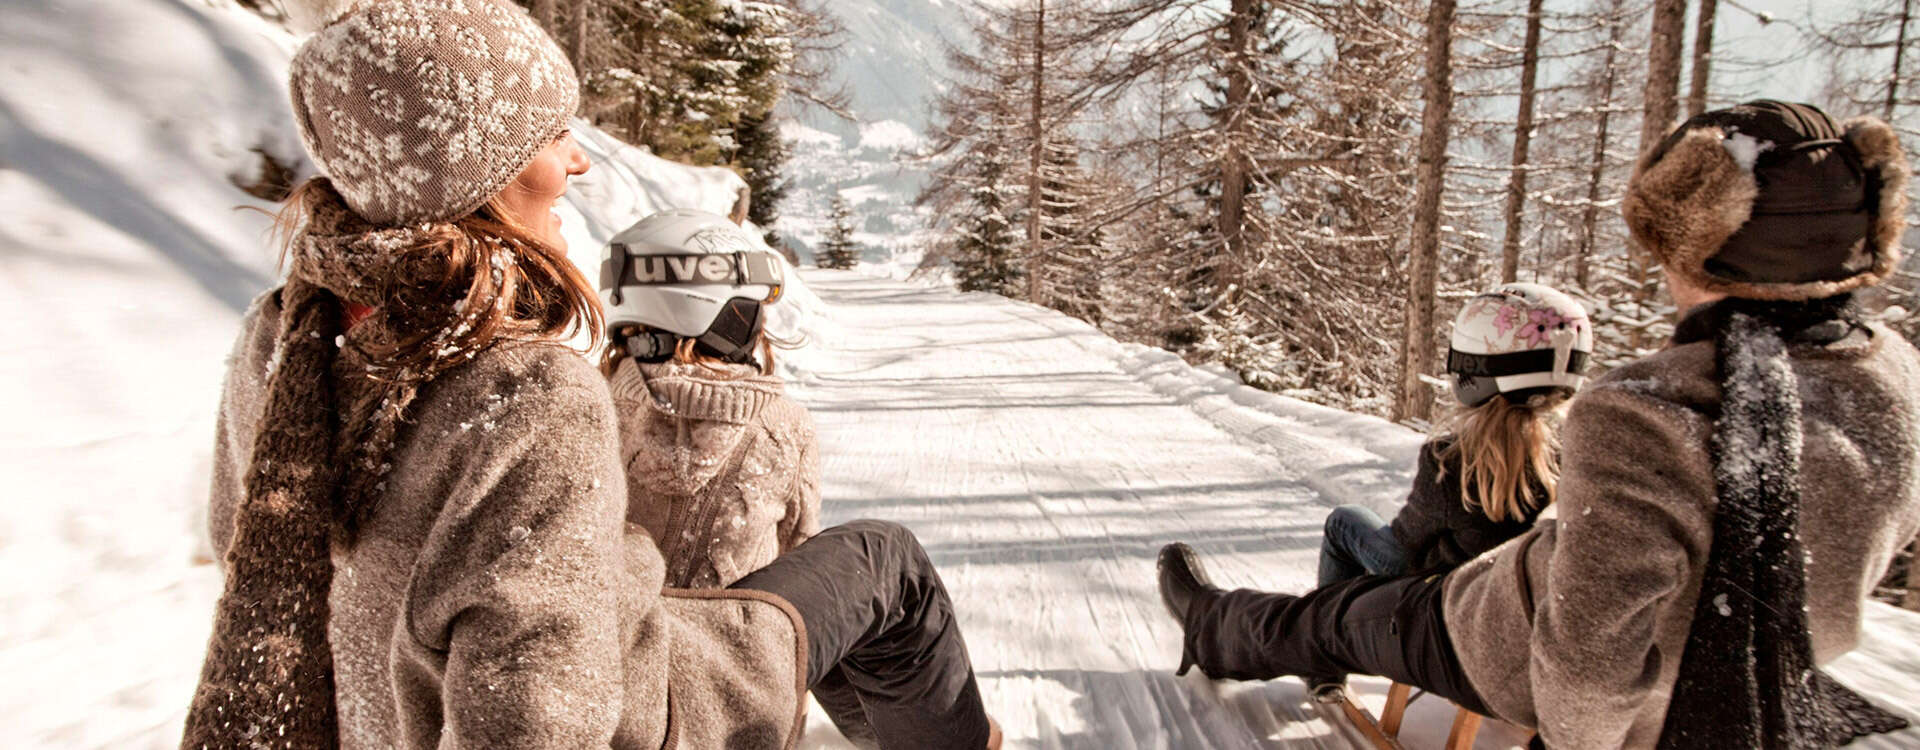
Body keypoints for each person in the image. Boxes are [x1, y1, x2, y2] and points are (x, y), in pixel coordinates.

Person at [183, 2, 997, 748]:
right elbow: (537, 725)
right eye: (549, 135)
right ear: (474, 173)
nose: (576, 159)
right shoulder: (527, 394)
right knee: (886, 568)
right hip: (655, 699)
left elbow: (245, 543)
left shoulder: (287, 337)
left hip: (388, 717)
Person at [1158, 100, 1920, 749]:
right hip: (1762, 675)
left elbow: (1585, 674)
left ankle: (1214, 626)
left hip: (1496, 637)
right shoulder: (1894, 383)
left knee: (1333, 616)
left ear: (1699, 244)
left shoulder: (1651, 410)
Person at [598, 209, 877, 747]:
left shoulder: (587, 409)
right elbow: (802, 569)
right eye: (748, 308)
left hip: (616, 697)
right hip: (736, 710)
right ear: (723, 315)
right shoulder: (780, 424)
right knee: (875, 559)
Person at [1318, 282, 1586, 592]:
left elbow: (1407, 544)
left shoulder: (1450, 460)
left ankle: (1321, 633)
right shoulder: (1571, 460)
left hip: (1441, 598)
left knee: (1345, 521)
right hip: (1510, 598)